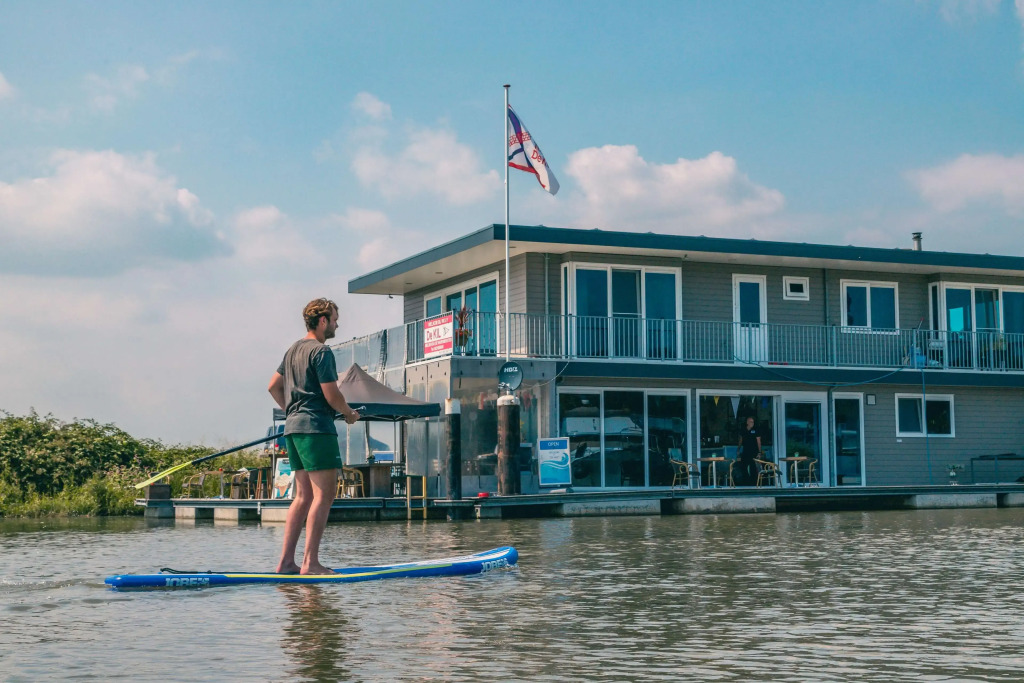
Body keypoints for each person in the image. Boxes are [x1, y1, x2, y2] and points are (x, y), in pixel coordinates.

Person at [269, 298, 360, 575]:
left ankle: (286, 563)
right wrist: (348, 413)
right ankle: (310, 563)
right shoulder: (321, 352)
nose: (336, 324)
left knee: (303, 496)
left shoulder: (292, 350)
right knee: (325, 494)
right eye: (334, 319)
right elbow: (332, 394)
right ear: (322, 321)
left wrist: (294, 412)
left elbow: (273, 386)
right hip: (316, 428)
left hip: (293, 428)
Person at [734, 416, 762, 486]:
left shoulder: (756, 430)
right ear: (747, 422)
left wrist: (759, 452)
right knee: (743, 466)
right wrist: (738, 449)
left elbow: (759, 441)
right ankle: (746, 482)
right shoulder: (743, 430)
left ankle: (754, 483)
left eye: (753, 422)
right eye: (750, 422)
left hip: (754, 451)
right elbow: (741, 440)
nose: (752, 423)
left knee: (753, 467)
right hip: (746, 451)